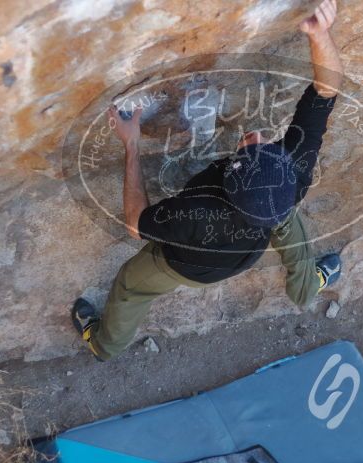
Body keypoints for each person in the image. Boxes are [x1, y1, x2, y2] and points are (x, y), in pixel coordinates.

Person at [72, 0, 344, 360]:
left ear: (227, 185)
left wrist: (132, 144)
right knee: (284, 218)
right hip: (259, 232)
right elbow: (327, 91)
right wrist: (320, 35)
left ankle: (104, 345)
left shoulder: (197, 213)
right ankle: (307, 286)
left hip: (194, 266)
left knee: (129, 285)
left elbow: (136, 225)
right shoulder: (292, 170)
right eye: (264, 145)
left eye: (251, 148)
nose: (258, 135)